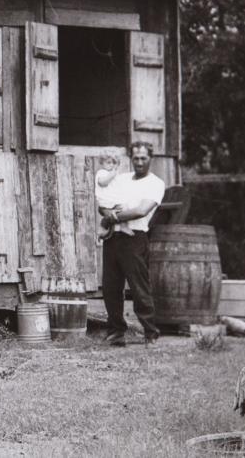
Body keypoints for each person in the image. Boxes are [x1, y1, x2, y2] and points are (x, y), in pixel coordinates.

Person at [99, 141, 165, 346]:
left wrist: (113, 216)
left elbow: (140, 211)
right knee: (111, 288)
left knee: (139, 288)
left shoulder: (155, 183)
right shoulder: (122, 179)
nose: (139, 162)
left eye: (143, 158)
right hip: (113, 238)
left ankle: (150, 332)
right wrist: (107, 213)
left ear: (150, 159)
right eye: (135, 158)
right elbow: (104, 201)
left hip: (135, 238)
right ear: (131, 159)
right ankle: (116, 331)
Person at [95, 153, 133, 241]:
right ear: (102, 163)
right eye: (108, 163)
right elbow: (102, 183)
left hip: (114, 200)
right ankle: (102, 227)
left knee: (124, 209)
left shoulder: (114, 174)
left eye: (113, 163)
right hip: (106, 202)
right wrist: (111, 175)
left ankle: (124, 226)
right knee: (109, 215)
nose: (111, 165)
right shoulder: (101, 173)